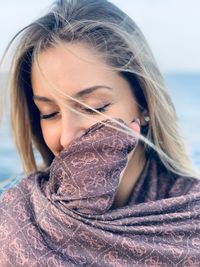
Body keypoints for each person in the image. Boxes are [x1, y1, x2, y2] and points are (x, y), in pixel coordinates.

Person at [0, 0, 200, 266]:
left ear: (143, 103)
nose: (67, 137)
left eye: (94, 107)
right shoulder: (15, 215)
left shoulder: (191, 218)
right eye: (49, 113)